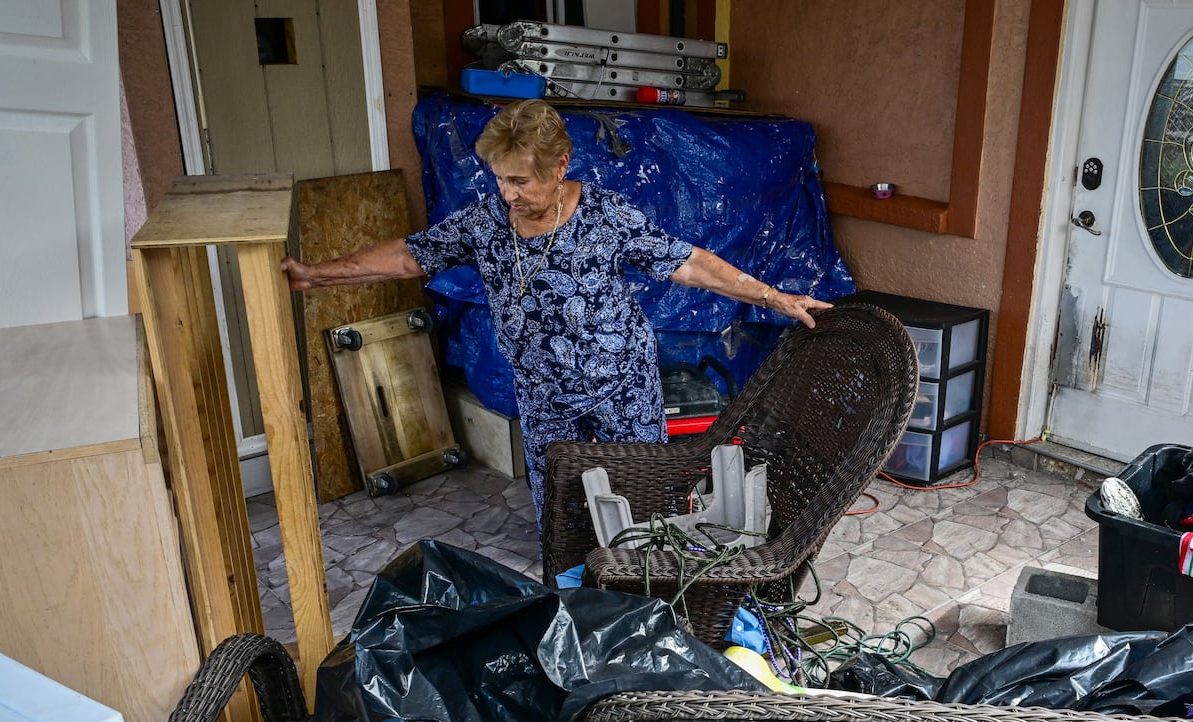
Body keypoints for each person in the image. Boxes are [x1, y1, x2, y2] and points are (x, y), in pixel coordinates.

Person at [283, 98, 832, 527]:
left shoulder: (602, 215)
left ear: (560, 165)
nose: (508, 193)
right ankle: (569, 586)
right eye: (499, 178)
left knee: (638, 498)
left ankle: (637, 586)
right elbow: (409, 255)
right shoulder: (487, 222)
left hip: (620, 385)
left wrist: (773, 297)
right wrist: (318, 274)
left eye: (520, 180)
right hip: (544, 395)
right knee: (560, 506)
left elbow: (689, 265)